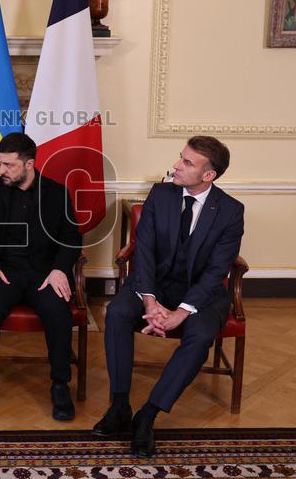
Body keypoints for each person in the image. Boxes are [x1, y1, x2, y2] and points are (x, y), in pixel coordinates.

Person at [93, 135, 244, 457]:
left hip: (200, 293)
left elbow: (216, 271)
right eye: (180, 157)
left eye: (187, 163)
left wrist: (182, 312)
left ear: (208, 175)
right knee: (117, 312)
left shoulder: (230, 211)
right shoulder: (160, 195)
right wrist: (150, 301)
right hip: (154, 284)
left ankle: (147, 416)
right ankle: (119, 406)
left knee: (200, 336)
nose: (176, 166)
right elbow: (144, 250)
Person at [0, 132, 83, 421]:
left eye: (9, 165)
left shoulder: (56, 193)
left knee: (58, 311)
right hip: (4, 271)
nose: (1, 170)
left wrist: (59, 269)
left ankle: (60, 385)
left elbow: (71, 238)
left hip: (44, 273)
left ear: (29, 164)